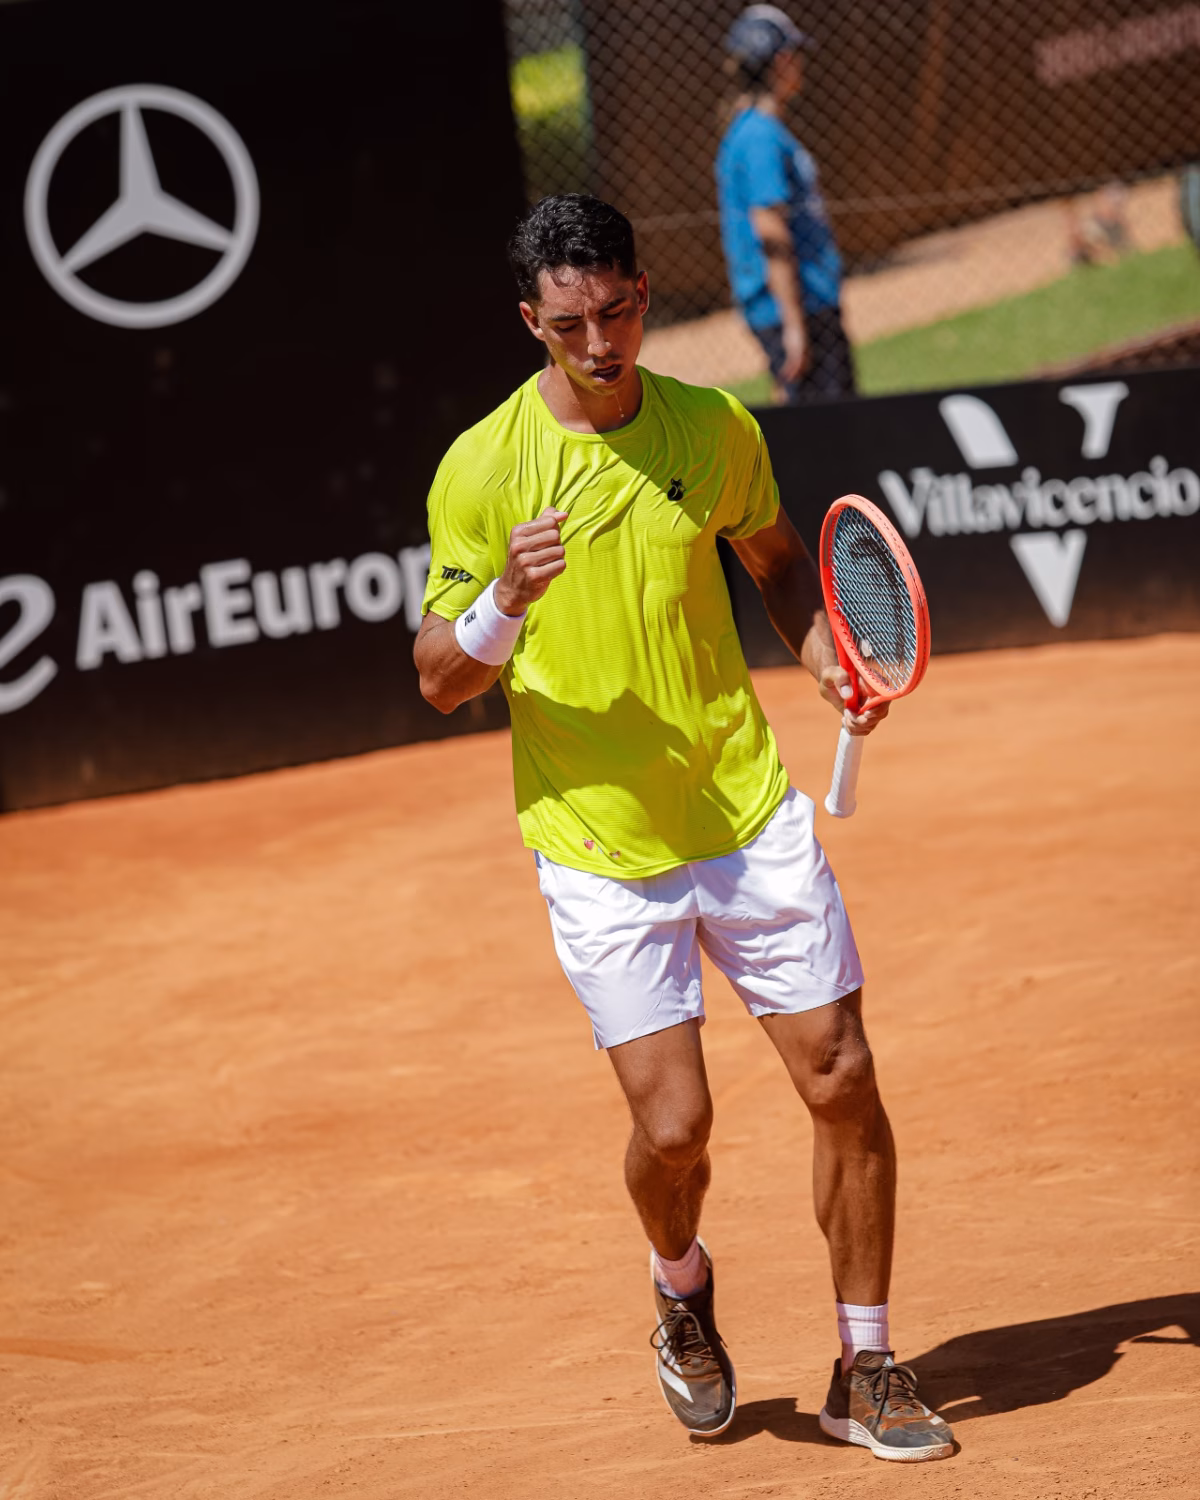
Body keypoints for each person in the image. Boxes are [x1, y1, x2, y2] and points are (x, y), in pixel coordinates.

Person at [414, 192, 953, 1462]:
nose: (598, 346)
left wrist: (825, 651)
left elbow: (771, 562)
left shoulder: (712, 429)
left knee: (845, 1079)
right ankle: (680, 1290)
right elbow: (441, 675)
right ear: (530, 324)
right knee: (675, 1131)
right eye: (568, 326)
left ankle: (865, 1361)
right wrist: (501, 601)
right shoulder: (482, 469)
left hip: (743, 806)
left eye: (615, 313)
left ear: (643, 295)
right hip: (599, 841)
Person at [716, 5, 856, 404]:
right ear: (783, 61)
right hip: (799, 308)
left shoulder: (750, 131)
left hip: (793, 307)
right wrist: (795, 326)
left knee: (805, 421)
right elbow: (770, 230)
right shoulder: (760, 136)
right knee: (833, 432)